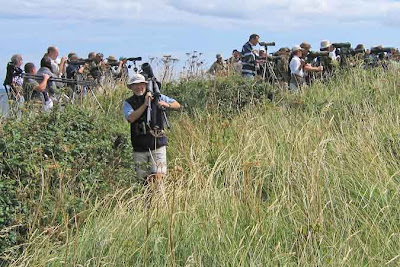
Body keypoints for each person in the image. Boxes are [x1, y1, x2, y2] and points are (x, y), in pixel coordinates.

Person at [123, 73, 180, 182]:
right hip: (139, 147)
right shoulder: (128, 103)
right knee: (143, 181)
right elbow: (131, 118)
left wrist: (167, 105)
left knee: (159, 178)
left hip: (157, 144)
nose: (138, 87)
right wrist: (145, 104)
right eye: (135, 85)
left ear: (145, 85)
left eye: (141, 84)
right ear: (131, 88)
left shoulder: (157, 96)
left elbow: (177, 104)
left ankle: (159, 199)